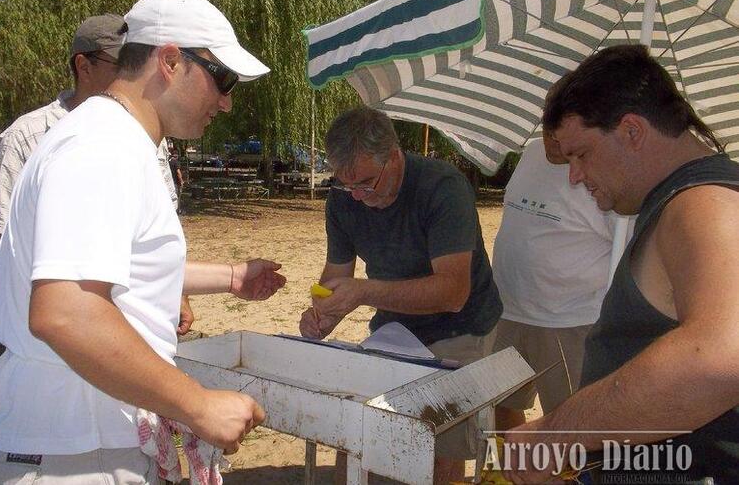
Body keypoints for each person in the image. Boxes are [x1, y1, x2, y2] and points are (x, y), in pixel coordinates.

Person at [0, 0, 286, 484]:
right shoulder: (103, 146)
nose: (225, 103)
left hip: (74, 445)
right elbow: (67, 311)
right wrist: (196, 404)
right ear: (170, 60)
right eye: (222, 79)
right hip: (63, 452)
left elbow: (115, 269)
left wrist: (231, 276)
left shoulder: (113, 141)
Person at [504, 44, 739, 484]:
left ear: (632, 130)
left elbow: (721, 357)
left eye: (582, 154)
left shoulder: (703, 204)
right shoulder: (680, 200)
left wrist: (554, 435)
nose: (573, 175)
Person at [299, 106, 502, 483]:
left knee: (438, 444)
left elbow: (453, 293)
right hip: (396, 327)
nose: (357, 196)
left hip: (461, 326)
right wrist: (321, 312)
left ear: (394, 156)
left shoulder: (443, 187)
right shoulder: (345, 196)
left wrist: (362, 293)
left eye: (365, 183)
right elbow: (335, 275)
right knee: (356, 432)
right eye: (347, 185)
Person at [0, 14, 125, 273]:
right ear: (84, 67)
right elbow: (1, 245)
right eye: (121, 65)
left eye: (136, 65)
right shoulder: (25, 137)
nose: (131, 77)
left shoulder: (144, 137)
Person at [491, 135, 614, 429]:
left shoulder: (605, 167)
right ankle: (507, 474)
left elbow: (628, 248)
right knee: (498, 406)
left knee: (570, 422)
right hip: (506, 312)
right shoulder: (532, 152)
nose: (553, 133)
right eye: (550, 119)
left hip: (568, 322)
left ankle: (562, 477)